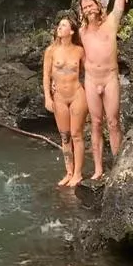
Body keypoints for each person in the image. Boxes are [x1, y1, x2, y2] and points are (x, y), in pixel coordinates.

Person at [79, 0, 133, 180]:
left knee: (113, 122)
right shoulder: (82, 32)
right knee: (95, 123)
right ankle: (97, 169)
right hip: (92, 81)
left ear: (98, 5)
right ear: (82, 12)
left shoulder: (112, 22)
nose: (88, 9)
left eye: (90, 5)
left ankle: (117, 164)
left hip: (110, 78)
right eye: (84, 7)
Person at [43, 15, 87, 187]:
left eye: (63, 25)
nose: (59, 28)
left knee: (76, 134)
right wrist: (47, 96)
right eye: (59, 25)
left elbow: (89, 71)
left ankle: (78, 174)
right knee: (65, 136)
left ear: (72, 31)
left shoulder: (79, 50)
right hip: (59, 97)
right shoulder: (51, 51)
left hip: (77, 94)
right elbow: (46, 76)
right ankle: (69, 172)